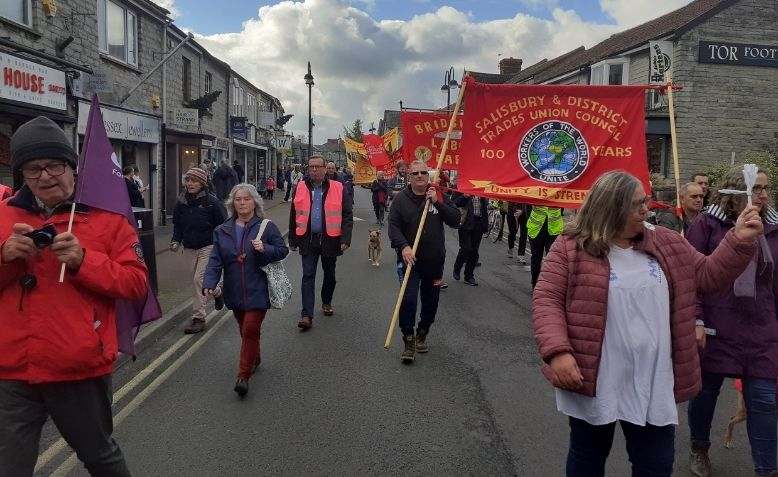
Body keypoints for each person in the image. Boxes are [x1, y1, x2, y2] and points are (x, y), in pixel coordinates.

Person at [532, 170, 762, 477]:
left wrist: (738, 240)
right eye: (637, 204)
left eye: (646, 201)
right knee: (587, 456)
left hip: (653, 379)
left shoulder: (666, 242)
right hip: (594, 375)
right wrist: (558, 352)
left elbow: (707, 275)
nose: (646, 209)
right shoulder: (571, 247)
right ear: (610, 207)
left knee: (655, 463)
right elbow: (546, 299)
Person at [0, 116, 150, 476]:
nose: (45, 176)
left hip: (77, 366)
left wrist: (85, 261)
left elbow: (135, 283)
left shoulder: (107, 219)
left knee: (100, 457)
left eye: (53, 165)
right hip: (12, 369)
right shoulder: (3, 216)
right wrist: (5, 258)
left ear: (71, 166)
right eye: (33, 169)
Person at [686, 167, 778, 477]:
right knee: (705, 392)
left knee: (764, 400)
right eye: (757, 188)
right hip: (717, 321)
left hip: (761, 326)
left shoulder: (774, 228)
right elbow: (692, 276)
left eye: (766, 189)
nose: (763, 195)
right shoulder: (707, 225)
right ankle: (699, 447)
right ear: (737, 192)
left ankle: (766, 468)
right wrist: (696, 317)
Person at [203, 184, 288, 397]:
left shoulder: (266, 227)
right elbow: (215, 260)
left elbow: (282, 250)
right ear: (232, 203)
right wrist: (209, 282)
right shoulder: (222, 230)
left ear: (255, 202)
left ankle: (243, 376)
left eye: (247, 199)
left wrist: (265, 248)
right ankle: (255, 357)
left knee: (250, 328)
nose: (242, 203)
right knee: (245, 330)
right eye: (238, 199)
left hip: (259, 289)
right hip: (234, 291)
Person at [389, 160, 460, 363]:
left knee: (431, 301)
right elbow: (393, 227)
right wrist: (404, 246)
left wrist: (438, 202)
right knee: (408, 299)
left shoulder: (437, 194)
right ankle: (408, 339)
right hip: (410, 261)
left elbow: (455, 220)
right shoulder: (401, 200)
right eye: (415, 173)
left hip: (434, 261)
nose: (420, 176)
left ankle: (422, 332)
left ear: (428, 176)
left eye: (423, 173)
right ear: (409, 177)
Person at [288, 155, 353, 330]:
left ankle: (326, 301)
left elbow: (347, 214)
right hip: (308, 239)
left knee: (329, 275)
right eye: (311, 167)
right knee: (308, 275)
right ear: (307, 169)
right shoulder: (300, 187)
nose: (314, 170)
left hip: (330, 240)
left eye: (318, 167)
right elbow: (294, 214)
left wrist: (346, 238)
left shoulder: (338, 187)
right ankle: (306, 315)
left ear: (325, 169)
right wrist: (292, 239)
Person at [171, 167, 227, 334]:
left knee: (198, 280)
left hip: (208, 246)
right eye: (188, 180)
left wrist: (222, 247)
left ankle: (198, 318)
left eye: (194, 180)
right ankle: (217, 292)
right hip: (189, 247)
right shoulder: (181, 202)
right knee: (200, 281)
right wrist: (175, 240)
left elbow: (223, 225)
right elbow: (178, 225)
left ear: (202, 183)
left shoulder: (212, 202)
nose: (190, 183)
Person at [453, 193, 488, 286]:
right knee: (466, 248)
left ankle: (469, 276)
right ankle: (457, 267)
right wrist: (464, 196)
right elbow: (454, 203)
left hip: (478, 224)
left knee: (474, 251)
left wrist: (485, 225)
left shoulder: (482, 190)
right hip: (465, 223)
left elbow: (484, 209)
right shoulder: (463, 187)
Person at [527, 205, 563, 287]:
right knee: (536, 258)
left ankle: (548, 285)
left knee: (552, 260)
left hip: (553, 230)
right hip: (536, 229)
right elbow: (528, 204)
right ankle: (535, 283)